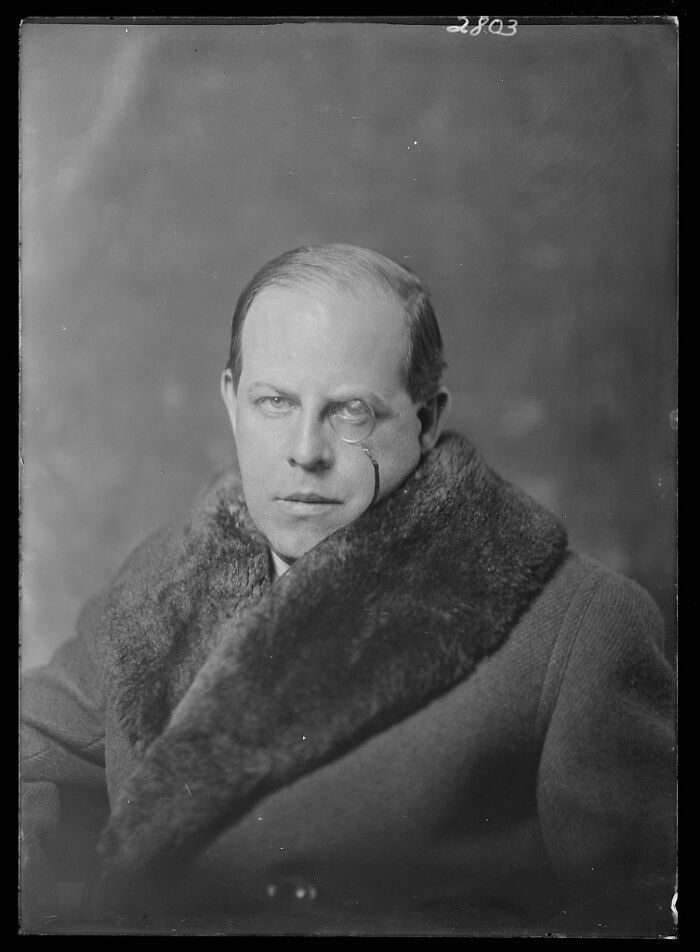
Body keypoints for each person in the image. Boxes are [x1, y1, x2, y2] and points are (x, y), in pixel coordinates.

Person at [20, 244, 675, 936]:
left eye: (350, 412)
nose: (305, 450)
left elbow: (640, 916)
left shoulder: (579, 628)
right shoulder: (166, 583)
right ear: (231, 402)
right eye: (274, 402)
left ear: (425, 422)